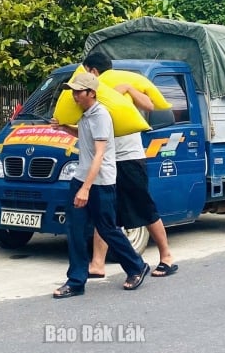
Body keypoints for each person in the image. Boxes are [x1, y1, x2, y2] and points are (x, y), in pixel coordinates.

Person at [51, 72, 149, 299]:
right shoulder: (85, 116)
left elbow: (99, 154)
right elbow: (85, 137)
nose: (74, 96)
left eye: (78, 92)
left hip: (100, 181)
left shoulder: (101, 115)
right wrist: (65, 128)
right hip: (82, 177)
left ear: (91, 93)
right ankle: (76, 281)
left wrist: (86, 188)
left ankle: (136, 266)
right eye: (73, 91)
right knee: (75, 228)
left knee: (106, 228)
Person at [82, 53, 178, 279]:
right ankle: (97, 263)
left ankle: (166, 256)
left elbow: (150, 105)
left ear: (93, 71)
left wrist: (128, 89)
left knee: (144, 207)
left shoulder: (122, 86)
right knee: (105, 212)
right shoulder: (93, 94)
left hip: (130, 158)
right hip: (107, 160)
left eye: (86, 71)